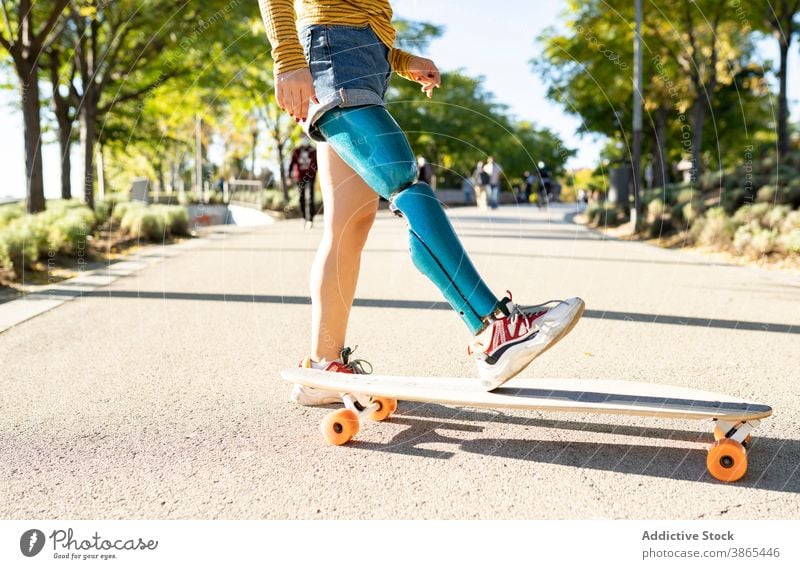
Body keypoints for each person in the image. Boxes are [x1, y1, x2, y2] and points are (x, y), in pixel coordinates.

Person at [258, 0, 585, 402]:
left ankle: (323, 367)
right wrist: (289, 59)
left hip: (363, 62)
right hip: (331, 55)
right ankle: (492, 329)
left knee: (348, 226)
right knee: (404, 182)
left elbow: (363, 11)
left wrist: (398, 59)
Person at [289, 136, 318, 228]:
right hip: (300, 178)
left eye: (306, 137)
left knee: (310, 197)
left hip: (310, 177)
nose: (304, 139)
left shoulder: (313, 151)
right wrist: (289, 176)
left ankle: (310, 219)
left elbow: (318, 163)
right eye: (302, 137)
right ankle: (304, 218)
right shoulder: (296, 151)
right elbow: (292, 163)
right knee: (301, 198)